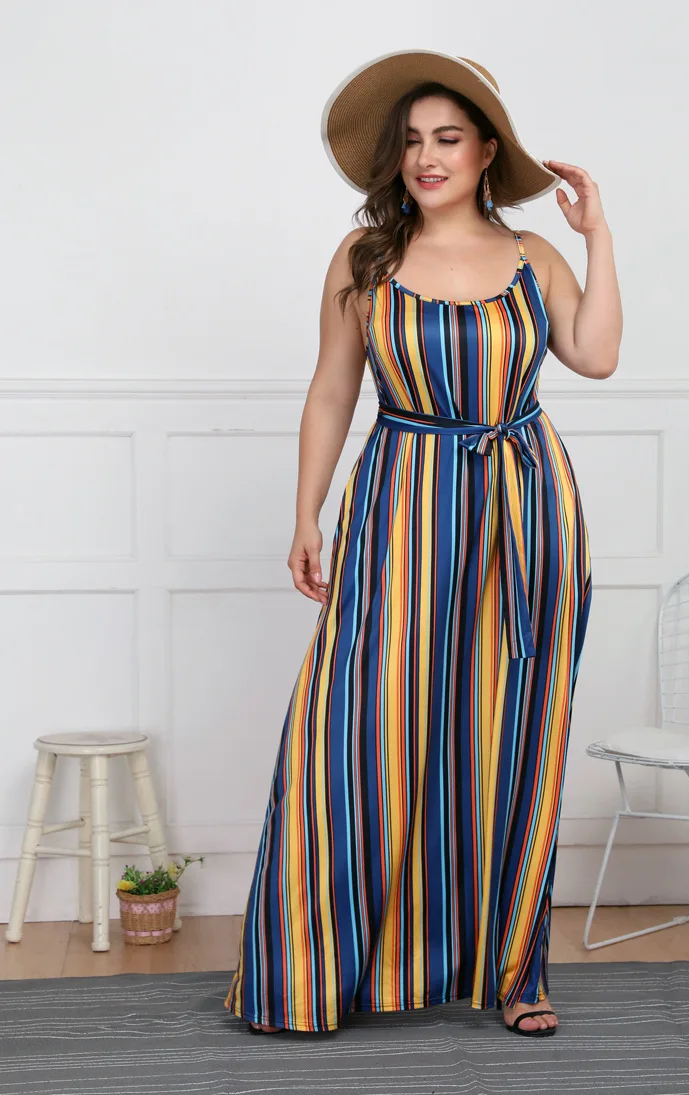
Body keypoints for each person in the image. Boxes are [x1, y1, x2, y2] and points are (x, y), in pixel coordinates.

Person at [224, 49, 622, 1038]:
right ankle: (315, 973)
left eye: (447, 138)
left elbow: (597, 354)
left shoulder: (534, 256)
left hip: (524, 513)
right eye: (411, 141)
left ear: (487, 151)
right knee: (357, 732)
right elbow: (331, 390)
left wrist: (597, 235)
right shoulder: (364, 256)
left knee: (511, 735)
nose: (426, 157)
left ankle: (516, 974)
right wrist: (307, 513)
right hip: (399, 503)